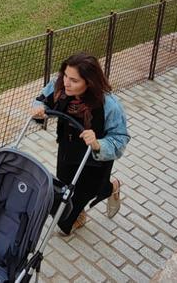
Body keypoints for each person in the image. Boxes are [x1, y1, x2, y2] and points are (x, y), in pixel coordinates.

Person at [30, 53, 130, 236]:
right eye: (65, 75)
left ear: (89, 82)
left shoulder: (109, 105)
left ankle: (112, 186)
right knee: (66, 191)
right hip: (68, 151)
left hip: (94, 158)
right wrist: (39, 110)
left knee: (89, 191)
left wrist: (98, 143)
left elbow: (120, 140)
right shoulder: (60, 87)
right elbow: (41, 100)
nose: (66, 82)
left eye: (73, 80)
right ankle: (78, 215)